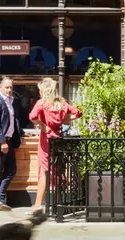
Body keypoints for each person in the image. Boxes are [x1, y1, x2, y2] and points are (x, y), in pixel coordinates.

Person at [28, 78, 80, 215]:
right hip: (59, 140)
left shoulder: (42, 103)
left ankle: (38, 204)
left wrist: (42, 125)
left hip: (46, 141)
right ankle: (57, 204)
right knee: (56, 171)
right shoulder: (62, 103)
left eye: (40, 89)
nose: (39, 92)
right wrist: (65, 119)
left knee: (44, 172)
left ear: (45, 90)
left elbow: (32, 116)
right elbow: (78, 112)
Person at [0, 76, 22, 210]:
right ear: (0, 88)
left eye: (11, 87)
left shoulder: (12, 101)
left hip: (9, 140)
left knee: (11, 170)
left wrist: (22, 132)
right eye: (7, 87)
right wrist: (2, 142)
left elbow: (12, 121)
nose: (9, 90)